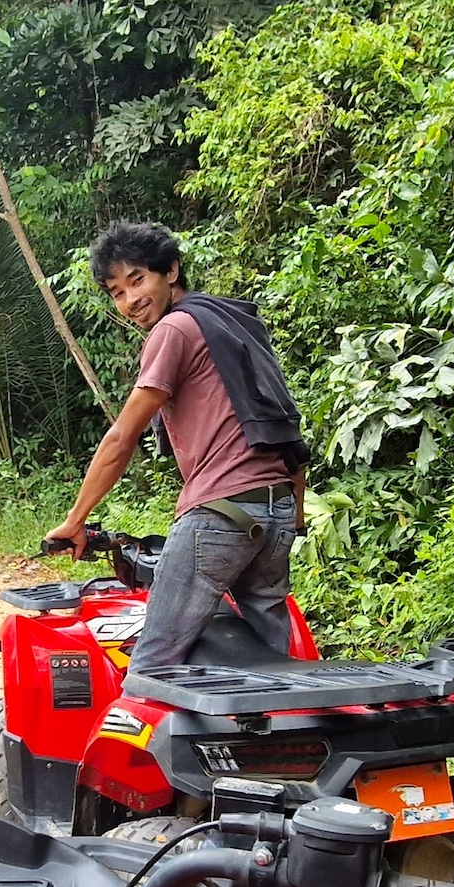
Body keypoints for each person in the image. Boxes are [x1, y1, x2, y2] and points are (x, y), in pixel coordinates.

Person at [45, 221, 310, 674]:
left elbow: (122, 437)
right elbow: (284, 423)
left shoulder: (175, 330)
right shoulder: (234, 323)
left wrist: (76, 520)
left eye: (137, 280)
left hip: (221, 513)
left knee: (153, 664)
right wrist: (295, 513)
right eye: (116, 292)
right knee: (274, 670)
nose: (130, 300)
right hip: (277, 511)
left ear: (171, 271)